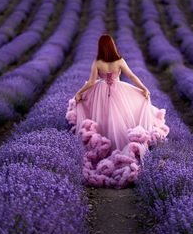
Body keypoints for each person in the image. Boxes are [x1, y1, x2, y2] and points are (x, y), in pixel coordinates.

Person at [66, 34, 169, 189]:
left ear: (100, 47)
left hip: (100, 94)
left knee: (103, 122)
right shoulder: (119, 61)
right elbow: (132, 76)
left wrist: (79, 92)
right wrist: (144, 89)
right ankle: (121, 149)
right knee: (121, 122)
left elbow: (93, 81)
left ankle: (105, 152)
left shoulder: (98, 62)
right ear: (112, 46)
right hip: (119, 93)